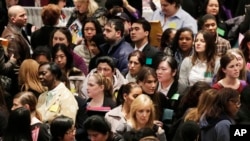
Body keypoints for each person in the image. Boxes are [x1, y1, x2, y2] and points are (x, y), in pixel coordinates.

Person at [178, 30, 220, 94]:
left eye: (202, 41)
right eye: (196, 40)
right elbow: (182, 84)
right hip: (189, 97)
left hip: (209, 98)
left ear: (209, 44)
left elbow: (218, 84)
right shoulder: (187, 61)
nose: (198, 43)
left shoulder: (217, 62)